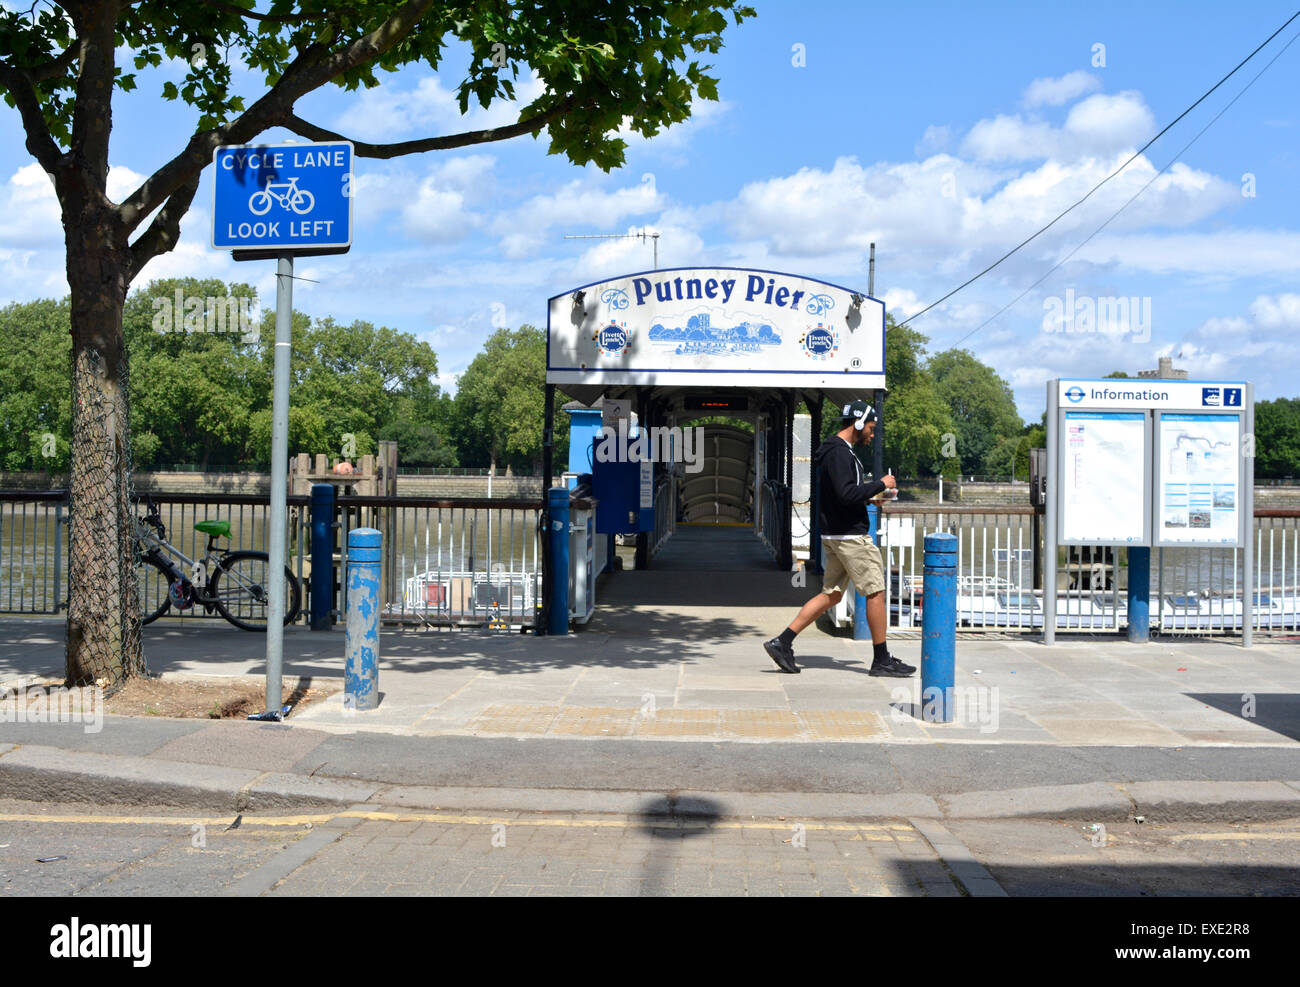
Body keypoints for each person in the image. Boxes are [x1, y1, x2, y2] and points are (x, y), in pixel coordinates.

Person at [764, 400, 916, 677]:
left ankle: (782, 642)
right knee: (875, 593)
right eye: (871, 428)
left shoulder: (834, 452)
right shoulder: (840, 454)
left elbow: (842, 493)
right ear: (858, 424)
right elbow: (846, 494)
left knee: (832, 594)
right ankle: (881, 659)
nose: (872, 435)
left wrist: (870, 496)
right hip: (850, 536)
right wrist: (882, 484)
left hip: (835, 534)